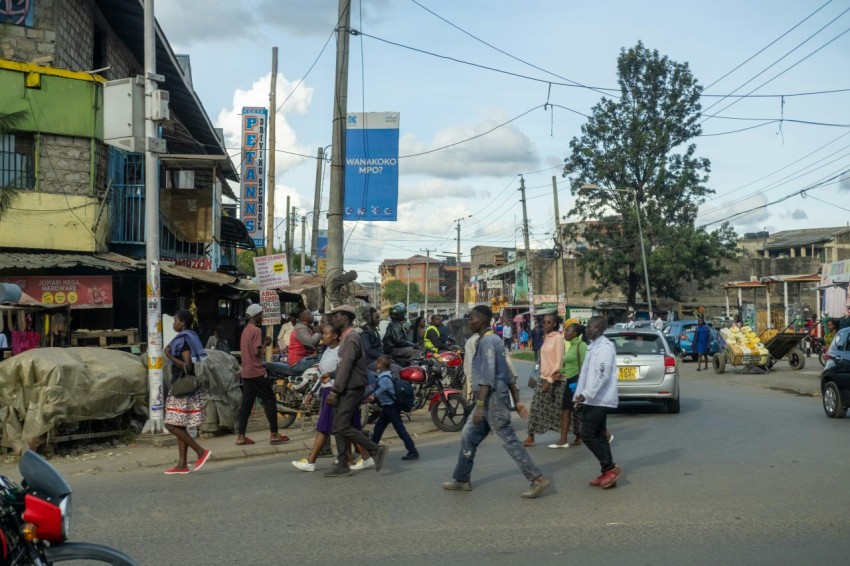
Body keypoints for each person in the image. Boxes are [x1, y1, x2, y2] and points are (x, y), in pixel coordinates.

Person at [442, 305, 550, 499]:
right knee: (468, 435)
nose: (469, 321)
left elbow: (488, 377)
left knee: (509, 440)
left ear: (482, 320)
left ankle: (537, 478)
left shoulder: (488, 342)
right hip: (490, 399)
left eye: (473, 318)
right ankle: (461, 478)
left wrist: (480, 407)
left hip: (492, 401)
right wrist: (517, 401)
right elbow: (507, 374)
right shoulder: (493, 340)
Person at [323, 305, 388, 477]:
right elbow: (344, 366)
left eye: (335, 316)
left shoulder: (351, 338)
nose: (333, 320)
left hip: (351, 388)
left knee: (341, 425)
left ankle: (375, 449)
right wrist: (331, 374)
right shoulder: (347, 337)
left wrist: (335, 391)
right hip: (347, 386)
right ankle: (343, 463)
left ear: (345, 318)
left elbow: (347, 366)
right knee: (339, 426)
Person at [292, 324, 350, 471]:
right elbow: (320, 374)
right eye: (322, 333)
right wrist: (312, 392)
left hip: (334, 392)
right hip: (325, 391)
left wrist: (334, 389)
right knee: (342, 429)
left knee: (324, 428)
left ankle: (311, 461)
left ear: (336, 336)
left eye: (326, 334)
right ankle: (356, 457)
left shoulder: (340, 352)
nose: (322, 336)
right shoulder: (326, 351)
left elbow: (342, 373)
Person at [574, 315, 622, 489]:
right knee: (600, 435)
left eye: (588, 327)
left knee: (587, 434)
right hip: (592, 398)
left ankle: (611, 468)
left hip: (600, 399)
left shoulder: (605, 348)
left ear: (596, 329)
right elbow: (587, 374)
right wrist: (579, 395)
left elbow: (602, 375)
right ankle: (607, 472)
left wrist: (586, 393)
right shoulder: (593, 347)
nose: (585, 329)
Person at [163, 309, 211, 475]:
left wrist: (168, 355)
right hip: (185, 386)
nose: (173, 323)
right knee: (179, 425)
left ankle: (200, 452)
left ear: (182, 322)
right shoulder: (189, 337)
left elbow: (187, 365)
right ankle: (182, 464)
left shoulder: (183, 340)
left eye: (175, 320)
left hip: (181, 387)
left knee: (170, 424)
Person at [237, 304, 289, 446]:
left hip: (247, 372)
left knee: (246, 405)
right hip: (257, 372)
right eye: (261, 314)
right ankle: (274, 433)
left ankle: (241, 436)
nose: (262, 317)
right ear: (256, 315)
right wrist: (265, 343)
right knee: (270, 401)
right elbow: (256, 352)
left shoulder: (245, 331)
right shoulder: (256, 330)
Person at [523, 314, 565, 447]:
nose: (545, 324)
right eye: (544, 322)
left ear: (554, 324)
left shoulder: (558, 338)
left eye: (548, 322)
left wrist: (550, 381)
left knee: (562, 411)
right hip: (542, 378)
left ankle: (578, 435)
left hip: (555, 381)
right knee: (535, 408)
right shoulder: (546, 337)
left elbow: (559, 362)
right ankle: (531, 437)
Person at [368, 354, 419, 461]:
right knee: (378, 429)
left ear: (381, 365)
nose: (376, 364)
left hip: (391, 407)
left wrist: (372, 396)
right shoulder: (387, 375)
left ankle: (413, 451)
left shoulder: (384, 378)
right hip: (387, 407)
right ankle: (371, 452)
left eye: (377, 363)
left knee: (400, 430)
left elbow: (380, 390)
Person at [550, 322, 589, 449]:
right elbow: (571, 365)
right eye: (565, 331)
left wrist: (583, 385)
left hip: (578, 383)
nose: (565, 333)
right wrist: (560, 371)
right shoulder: (572, 346)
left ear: (576, 333)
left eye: (568, 331)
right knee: (566, 410)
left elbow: (584, 366)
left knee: (584, 412)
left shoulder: (581, 345)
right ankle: (563, 440)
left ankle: (605, 434)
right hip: (570, 381)